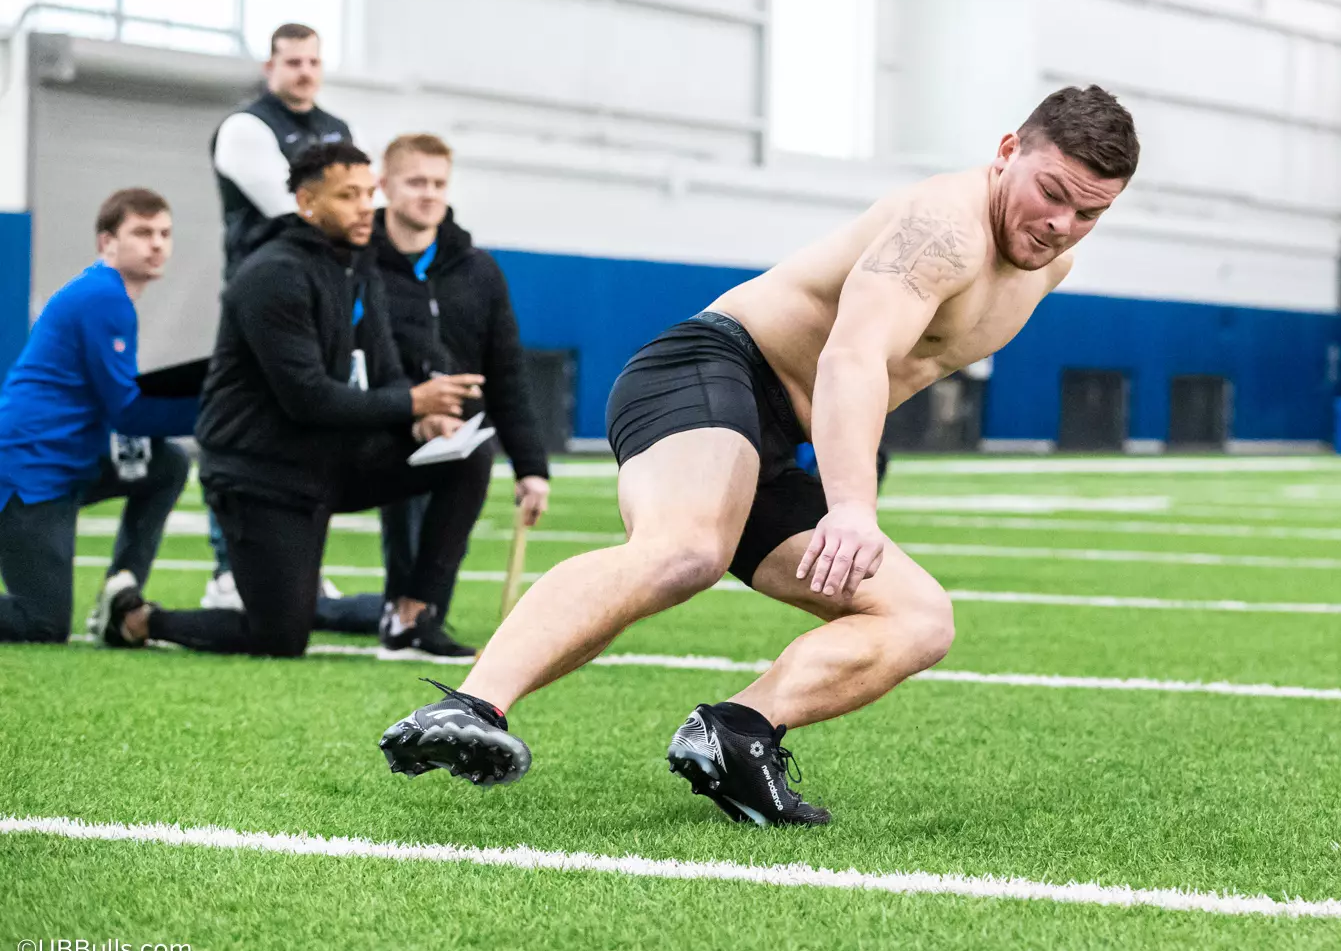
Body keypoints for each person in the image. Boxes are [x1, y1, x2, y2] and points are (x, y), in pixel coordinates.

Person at [380, 85, 1140, 822]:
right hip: (710, 369)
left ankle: (738, 733)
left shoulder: (1052, 264)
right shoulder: (945, 227)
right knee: (685, 550)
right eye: (1052, 192)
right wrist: (850, 505)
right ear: (1008, 151)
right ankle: (468, 707)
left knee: (919, 618)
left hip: (776, 437)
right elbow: (851, 357)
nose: (1062, 224)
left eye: (1091, 212)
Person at [97, 143, 490, 657]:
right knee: (280, 636)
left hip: (328, 458)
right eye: (347, 196)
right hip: (260, 473)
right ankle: (135, 619)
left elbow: (387, 374)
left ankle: (413, 617)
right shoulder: (272, 274)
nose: (364, 207)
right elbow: (307, 398)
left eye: (368, 193)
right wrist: (412, 402)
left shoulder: (359, 267)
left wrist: (422, 421)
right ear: (306, 203)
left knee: (468, 453)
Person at [0, 189, 224, 644]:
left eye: (164, 233)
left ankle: (119, 594)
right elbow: (128, 411)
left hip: (68, 461)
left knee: (168, 464)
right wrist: (217, 414)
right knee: (42, 623)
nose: (157, 244)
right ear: (106, 243)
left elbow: (123, 404)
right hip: (30, 472)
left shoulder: (108, 295)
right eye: (142, 232)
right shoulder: (103, 297)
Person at [368, 133, 551, 652]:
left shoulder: (478, 269)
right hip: (382, 425)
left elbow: (507, 373)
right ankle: (398, 607)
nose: (429, 193)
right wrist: (411, 410)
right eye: (415, 181)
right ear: (384, 185)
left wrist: (532, 467)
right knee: (404, 505)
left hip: (463, 437)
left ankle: (417, 613)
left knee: (467, 468)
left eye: (438, 183)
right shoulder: (358, 264)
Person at [204, 21, 357, 612]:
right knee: (243, 435)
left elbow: (354, 208)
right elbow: (297, 211)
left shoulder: (336, 129)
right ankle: (226, 572)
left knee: (308, 434)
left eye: (314, 62)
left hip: (322, 302)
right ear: (271, 67)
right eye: (293, 62)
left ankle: (300, 565)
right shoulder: (246, 127)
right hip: (256, 302)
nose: (305, 72)